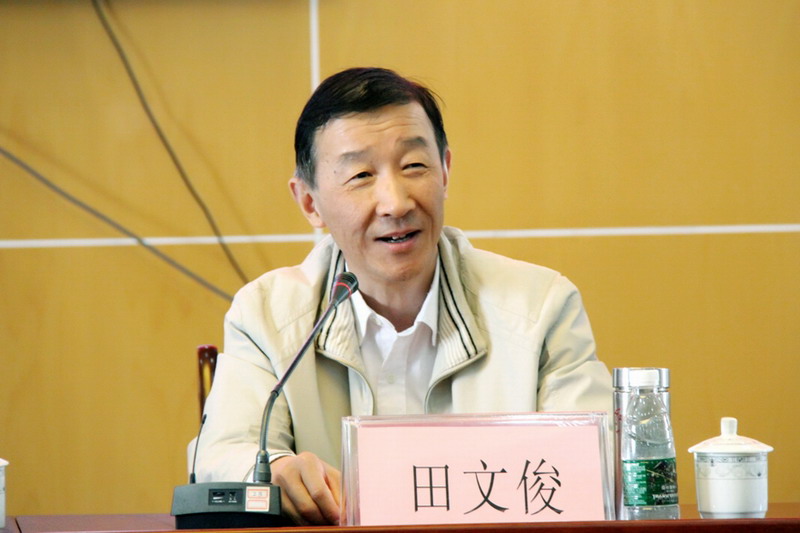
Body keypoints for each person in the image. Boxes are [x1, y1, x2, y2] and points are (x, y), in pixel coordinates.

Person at [193, 67, 613, 525]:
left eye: (414, 166)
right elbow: (223, 455)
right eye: (360, 175)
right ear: (310, 203)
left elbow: (594, 463)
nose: (396, 203)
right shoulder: (266, 315)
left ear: (445, 170)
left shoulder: (540, 307)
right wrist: (277, 471)